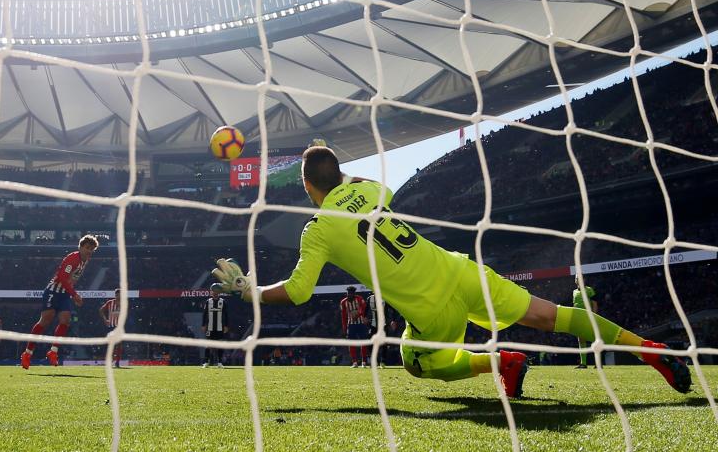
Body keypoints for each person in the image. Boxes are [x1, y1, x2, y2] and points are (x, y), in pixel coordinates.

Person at [211, 146, 692, 398]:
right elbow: (365, 186)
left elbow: (297, 293)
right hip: (460, 271)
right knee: (552, 315)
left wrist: (249, 291)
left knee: (415, 363)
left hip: (430, 309)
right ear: (339, 176)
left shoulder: (318, 228)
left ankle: (498, 361)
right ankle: (651, 350)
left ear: (307, 189)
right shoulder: (376, 191)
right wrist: (339, 177)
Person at [21, 234, 99, 370]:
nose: (89, 251)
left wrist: (71, 291)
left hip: (64, 294)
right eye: (87, 248)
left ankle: (53, 352)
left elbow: (72, 278)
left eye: (92, 249)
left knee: (66, 321)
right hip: (53, 292)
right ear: (80, 247)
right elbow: (62, 278)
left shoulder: (86, 260)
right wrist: (74, 294)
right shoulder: (72, 259)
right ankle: (27, 353)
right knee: (45, 322)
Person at [340, 286, 368, 368]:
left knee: (364, 343)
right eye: (348, 293)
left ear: (354, 294)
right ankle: (355, 362)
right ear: (347, 294)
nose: (350, 295)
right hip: (351, 325)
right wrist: (345, 328)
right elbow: (344, 316)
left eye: (351, 293)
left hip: (361, 324)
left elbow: (363, 309)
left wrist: (358, 314)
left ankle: (364, 362)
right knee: (352, 344)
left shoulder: (359, 299)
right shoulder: (343, 302)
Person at [202, 288, 229, 368]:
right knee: (208, 345)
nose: (215, 293)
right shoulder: (208, 302)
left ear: (219, 293)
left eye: (216, 291)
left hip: (219, 327)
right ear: (211, 292)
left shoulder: (223, 301)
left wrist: (226, 325)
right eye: (213, 291)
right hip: (210, 327)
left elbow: (226, 314)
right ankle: (206, 362)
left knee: (219, 344)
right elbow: (205, 314)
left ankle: (220, 363)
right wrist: (203, 325)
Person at [573, 285, 598, 369]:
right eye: (576, 278)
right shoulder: (574, 292)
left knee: (593, 338)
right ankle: (583, 363)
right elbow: (575, 305)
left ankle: (598, 363)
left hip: (588, 316)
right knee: (581, 338)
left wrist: (594, 315)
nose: (577, 279)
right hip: (579, 318)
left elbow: (594, 302)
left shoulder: (589, 289)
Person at [99, 288, 123, 368]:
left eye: (120, 294)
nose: (118, 296)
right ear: (115, 295)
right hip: (111, 326)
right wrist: (105, 319)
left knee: (119, 345)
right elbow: (101, 310)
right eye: (117, 294)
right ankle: (110, 361)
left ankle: (117, 362)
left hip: (119, 327)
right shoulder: (110, 303)